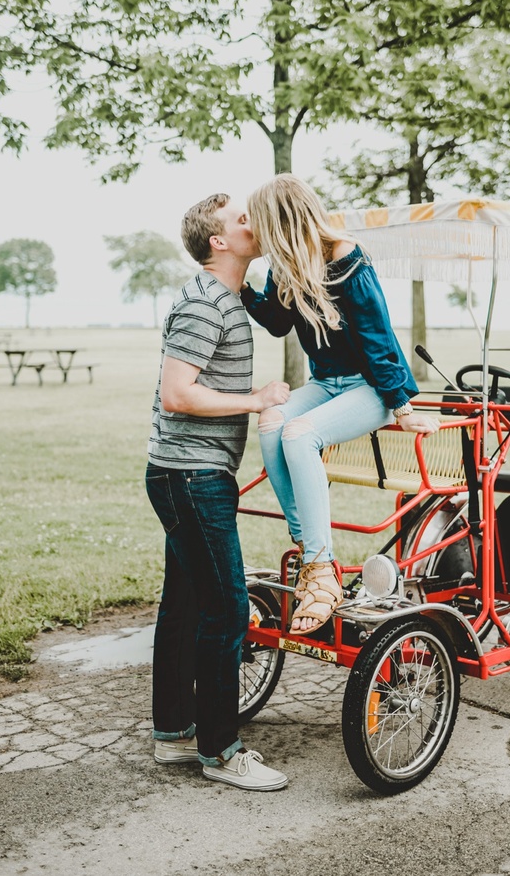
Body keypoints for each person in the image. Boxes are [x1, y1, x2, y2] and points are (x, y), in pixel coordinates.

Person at [242, 174, 432, 637]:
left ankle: (318, 563)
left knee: (299, 433)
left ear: (280, 221)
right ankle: (312, 547)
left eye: (260, 223)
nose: (256, 233)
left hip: (371, 388)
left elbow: (377, 335)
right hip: (327, 383)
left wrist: (401, 407)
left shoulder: (344, 256)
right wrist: (245, 287)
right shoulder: (287, 264)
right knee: (271, 422)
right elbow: (277, 323)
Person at [149, 193, 293, 791]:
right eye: (242, 219)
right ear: (218, 241)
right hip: (192, 476)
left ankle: (174, 736)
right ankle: (222, 752)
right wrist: (256, 400)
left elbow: (284, 314)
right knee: (228, 607)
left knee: (185, 605)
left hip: (185, 473)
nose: (252, 223)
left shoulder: (228, 298)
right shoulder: (208, 302)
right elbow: (177, 393)